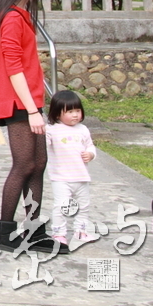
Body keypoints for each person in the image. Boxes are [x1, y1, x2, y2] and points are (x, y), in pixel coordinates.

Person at [0, 0, 54, 252]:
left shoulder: (18, 13)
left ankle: (34, 230)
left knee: (38, 164)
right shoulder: (13, 18)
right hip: (19, 102)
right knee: (24, 164)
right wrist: (31, 111)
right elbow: (13, 67)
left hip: (27, 100)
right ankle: (5, 232)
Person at [45, 89, 100, 248]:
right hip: (61, 178)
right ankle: (59, 233)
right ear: (56, 114)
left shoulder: (83, 129)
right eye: (70, 111)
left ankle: (80, 231)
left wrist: (90, 154)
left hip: (81, 177)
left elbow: (90, 145)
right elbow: (44, 146)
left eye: (77, 110)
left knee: (84, 205)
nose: (75, 115)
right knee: (61, 206)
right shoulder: (52, 130)